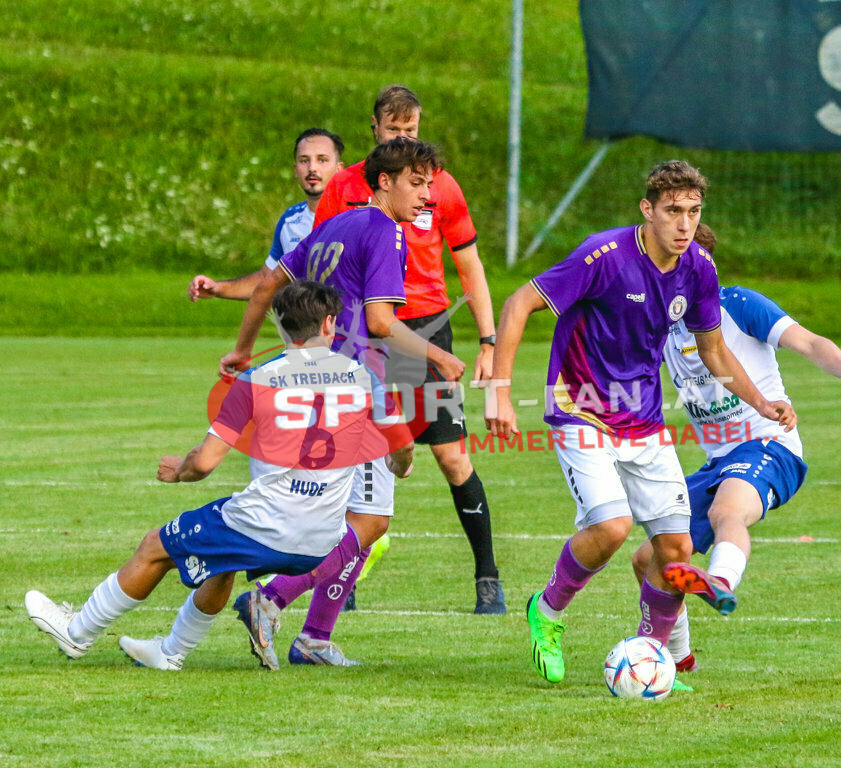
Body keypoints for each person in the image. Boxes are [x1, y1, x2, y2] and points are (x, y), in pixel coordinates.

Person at [485, 161, 797, 684]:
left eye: (694, 213)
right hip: (580, 406)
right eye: (673, 211)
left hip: (644, 420)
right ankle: (549, 609)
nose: (685, 224)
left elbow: (714, 349)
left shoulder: (698, 266)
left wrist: (762, 403)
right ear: (647, 210)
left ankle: (652, 657)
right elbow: (519, 303)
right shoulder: (602, 255)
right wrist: (498, 392)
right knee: (611, 528)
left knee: (674, 551)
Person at [24, 280, 398, 670]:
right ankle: (170, 651)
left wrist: (179, 472)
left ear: (281, 327)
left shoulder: (256, 379)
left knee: (155, 547)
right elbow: (399, 448)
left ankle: (77, 631)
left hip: (267, 522)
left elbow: (205, 463)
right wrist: (401, 466)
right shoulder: (363, 379)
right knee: (225, 559)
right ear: (329, 325)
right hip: (322, 542)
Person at [223, 138, 466, 668]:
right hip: (357, 386)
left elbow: (268, 285)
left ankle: (312, 636)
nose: (429, 195)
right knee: (371, 520)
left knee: (358, 517)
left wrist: (244, 349)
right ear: (386, 181)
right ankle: (273, 599)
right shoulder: (384, 230)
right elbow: (380, 324)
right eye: (417, 183)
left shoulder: (334, 224)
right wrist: (438, 359)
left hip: (317, 381)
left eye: (430, 184)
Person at [630, 223, 841, 682]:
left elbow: (807, 341)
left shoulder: (738, 305)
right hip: (717, 460)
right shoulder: (658, 325)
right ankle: (676, 660)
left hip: (770, 444)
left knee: (728, 511)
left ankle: (719, 581)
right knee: (649, 559)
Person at [314, 85, 505, 615]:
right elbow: (320, 265)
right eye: (394, 130)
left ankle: (487, 578)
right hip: (359, 330)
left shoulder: (440, 187)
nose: (404, 139)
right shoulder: (345, 187)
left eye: (412, 131)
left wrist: (487, 339)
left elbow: (469, 266)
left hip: (423, 326)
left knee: (450, 456)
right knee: (347, 455)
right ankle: (338, 580)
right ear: (374, 128)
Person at [188, 128, 345, 302]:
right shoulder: (289, 221)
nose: (312, 168)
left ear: (339, 169)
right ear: (295, 169)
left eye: (322, 160)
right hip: (305, 328)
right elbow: (268, 279)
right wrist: (217, 288)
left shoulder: (357, 218)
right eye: (304, 160)